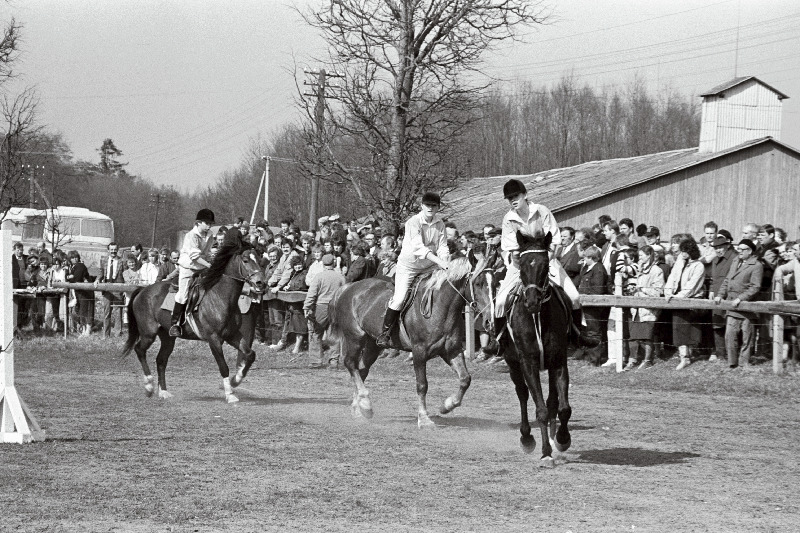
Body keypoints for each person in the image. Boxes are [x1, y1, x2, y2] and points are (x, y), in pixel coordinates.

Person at [493, 179, 590, 344]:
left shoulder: (542, 211)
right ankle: (499, 341)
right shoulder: (508, 219)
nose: (513, 200)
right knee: (500, 301)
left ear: (525, 195)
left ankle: (577, 336)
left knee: (573, 296)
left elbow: (555, 240)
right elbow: (512, 248)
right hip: (520, 265)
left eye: (516, 196)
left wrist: (545, 260)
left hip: (547, 261)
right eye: (509, 198)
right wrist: (524, 263)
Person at [376, 192, 449, 348]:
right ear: (422, 206)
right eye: (427, 205)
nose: (430, 208)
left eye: (434, 205)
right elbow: (418, 248)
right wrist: (440, 261)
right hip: (409, 267)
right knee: (400, 298)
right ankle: (385, 333)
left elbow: (442, 246)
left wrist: (446, 261)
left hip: (430, 266)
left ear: (438, 207)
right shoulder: (413, 222)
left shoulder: (440, 223)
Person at [715, 239, 763, 370]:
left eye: (743, 249)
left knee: (747, 336)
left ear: (750, 251)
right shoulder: (736, 261)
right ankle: (732, 363)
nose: (739, 251)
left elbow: (755, 287)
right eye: (739, 249)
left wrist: (741, 298)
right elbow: (727, 280)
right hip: (732, 305)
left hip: (747, 307)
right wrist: (720, 294)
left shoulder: (756, 265)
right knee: (730, 335)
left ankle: (744, 363)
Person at [170, 209, 215, 337]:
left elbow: (207, 253)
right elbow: (195, 257)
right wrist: (208, 265)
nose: (209, 226)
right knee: (183, 295)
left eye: (210, 223)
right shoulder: (191, 235)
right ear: (198, 222)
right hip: (188, 267)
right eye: (206, 223)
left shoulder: (210, 234)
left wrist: (212, 261)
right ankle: (175, 324)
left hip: (202, 267)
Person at [665, 239, 706, 370]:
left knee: (690, 330)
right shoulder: (679, 262)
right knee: (678, 330)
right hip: (677, 300)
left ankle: (689, 355)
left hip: (691, 300)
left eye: (685, 251)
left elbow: (692, 286)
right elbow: (672, 277)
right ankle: (684, 357)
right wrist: (668, 292)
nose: (682, 254)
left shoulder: (698, 266)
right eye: (681, 251)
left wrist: (679, 297)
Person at [304, 253, 346, 369]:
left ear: (323, 264)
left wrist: (306, 307)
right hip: (335, 307)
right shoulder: (340, 277)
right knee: (334, 334)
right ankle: (334, 361)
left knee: (315, 333)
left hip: (321, 307)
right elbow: (344, 293)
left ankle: (315, 361)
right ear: (333, 263)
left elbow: (311, 294)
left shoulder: (319, 277)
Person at [626, 246, 665, 370]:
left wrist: (641, 289)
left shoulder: (656, 271)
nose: (640, 257)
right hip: (636, 307)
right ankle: (632, 360)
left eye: (642, 255)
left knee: (646, 336)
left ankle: (647, 360)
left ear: (649, 255)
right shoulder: (639, 269)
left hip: (648, 309)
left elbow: (658, 291)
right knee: (633, 335)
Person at [575, 246, 608, 365]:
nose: (584, 260)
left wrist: (583, 294)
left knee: (594, 331)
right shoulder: (586, 268)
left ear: (592, 258)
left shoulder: (598, 269)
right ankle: (588, 356)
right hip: (585, 304)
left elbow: (597, 290)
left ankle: (595, 360)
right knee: (586, 330)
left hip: (594, 306)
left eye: (586, 258)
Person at [709, 235, 737, 361]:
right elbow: (712, 279)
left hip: (730, 296)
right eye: (716, 248)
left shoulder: (734, 258)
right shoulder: (715, 260)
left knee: (732, 326)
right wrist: (711, 290)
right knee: (717, 324)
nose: (718, 250)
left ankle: (732, 354)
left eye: (721, 247)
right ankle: (720, 354)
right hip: (716, 297)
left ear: (727, 245)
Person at [96, 242, 125, 338]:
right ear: (108, 250)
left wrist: (124, 289)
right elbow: (101, 273)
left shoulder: (122, 261)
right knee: (106, 311)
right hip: (107, 288)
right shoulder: (104, 260)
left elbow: (124, 275)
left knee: (118, 312)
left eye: (115, 249)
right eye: (111, 249)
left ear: (117, 250)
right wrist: (97, 280)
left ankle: (118, 334)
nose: (113, 251)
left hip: (118, 287)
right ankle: (106, 334)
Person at [66, 250, 93, 337]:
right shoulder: (73, 267)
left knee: (85, 311)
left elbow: (76, 279)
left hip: (85, 292)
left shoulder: (80, 266)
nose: (75, 259)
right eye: (72, 258)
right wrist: (70, 277)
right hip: (79, 292)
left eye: (76, 257)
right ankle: (83, 329)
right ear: (70, 259)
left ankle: (87, 330)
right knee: (80, 311)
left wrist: (70, 277)